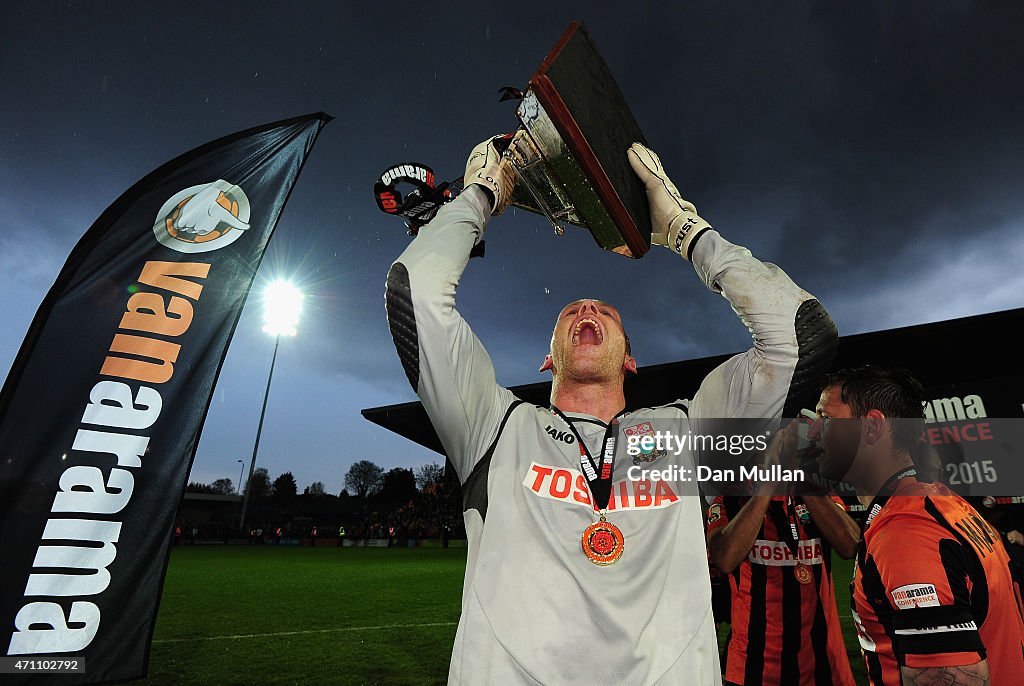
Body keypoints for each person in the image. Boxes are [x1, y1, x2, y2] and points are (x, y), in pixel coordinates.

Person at [384, 134, 837, 684]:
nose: (588, 311)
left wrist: (685, 231)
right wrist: (479, 197)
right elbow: (417, 291)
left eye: (605, 311)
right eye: (572, 310)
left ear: (631, 360)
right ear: (548, 360)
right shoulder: (493, 426)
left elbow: (800, 337)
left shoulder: (687, 433)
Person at [807, 365, 1024, 685]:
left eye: (826, 419)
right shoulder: (937, 502)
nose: (814, 432)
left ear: (871, 427)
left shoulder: (906, 533)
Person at [706, 420, 860, 686]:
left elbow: (849, 544)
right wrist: (769, 484)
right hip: (753, 667)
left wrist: (796, 474)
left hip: (822, 663)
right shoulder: (731, 496)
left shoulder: (814, 490)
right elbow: (725, 558)